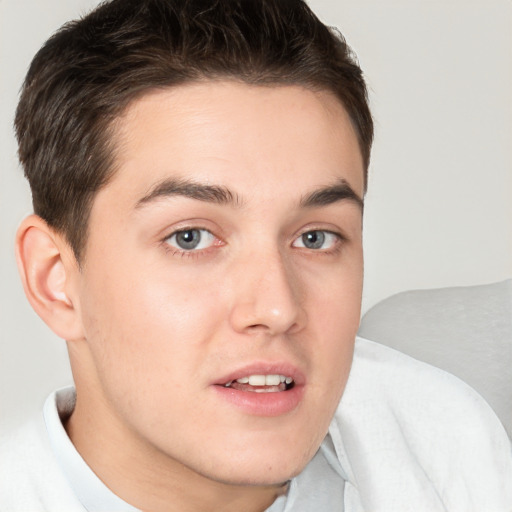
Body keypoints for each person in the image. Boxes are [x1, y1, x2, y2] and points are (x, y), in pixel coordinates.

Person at [1, 0, 510, 510]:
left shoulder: (448, 446)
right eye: (191, 238)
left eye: (315, 237)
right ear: (55, 280)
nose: (277, 308)